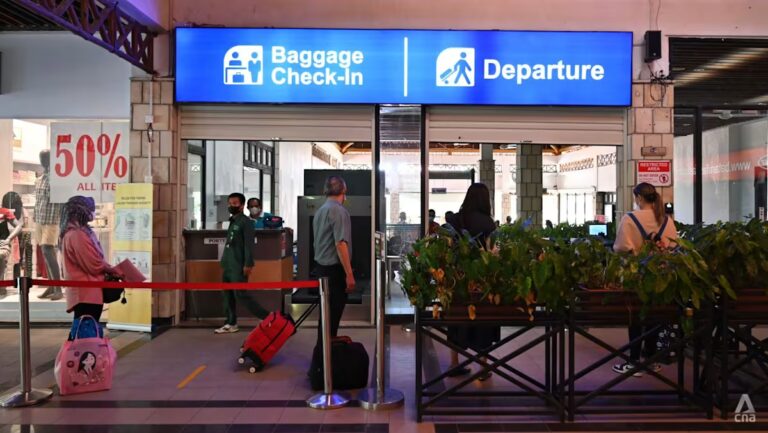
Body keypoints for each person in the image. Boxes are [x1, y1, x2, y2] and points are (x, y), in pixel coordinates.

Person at [612, 182, 678, 377]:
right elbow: (674, 247)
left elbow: (620, 248)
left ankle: (634, 361)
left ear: (639, 198)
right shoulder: (666, 220)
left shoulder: (630, 219)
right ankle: (651, 360)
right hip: (661, 278)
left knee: (635, 318)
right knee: (654, 317)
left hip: (636, 277)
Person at [445, 183, 500, 381]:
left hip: (457, 280)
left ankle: (454, 363)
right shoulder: (488, 223)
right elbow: (492, 253)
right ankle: (483, 367)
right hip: (481, 280)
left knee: (456, 320)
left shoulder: (455, 219)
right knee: (483, 321)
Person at [60, 196, 121, 323]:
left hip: (85, 292)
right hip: (87, 293)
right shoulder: (78, 235)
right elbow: (93, 264)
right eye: (90, 209)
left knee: (83, 329)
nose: (92, 213)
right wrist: (113, 270)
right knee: (87, 331)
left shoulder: (72, 232)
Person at [215, 193, 270, 334]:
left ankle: (267, 317)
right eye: (230, 203)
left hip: (238, 264)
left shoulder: (246, 222)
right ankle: (230, 322)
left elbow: (248, 245)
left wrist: (248, 263)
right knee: (227, 295)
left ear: (242, 205)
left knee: (241, 294)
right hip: (228, 263)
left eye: (235, 203)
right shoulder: (233, 221)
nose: (231, 206)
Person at [311, 176, 354, 348]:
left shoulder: (321, 210)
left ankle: (322, 359)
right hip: (334, 271)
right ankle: (324, 360)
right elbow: (340, 243)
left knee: (326, 318)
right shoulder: (339, 211)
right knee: (332, 318)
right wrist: (349, 274)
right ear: (344, 190)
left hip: (321, 269)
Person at [36, 150, 64, 300]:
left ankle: (58, 288)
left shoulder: (57, 179)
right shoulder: (40, 179)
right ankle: (52, 286)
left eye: (45, 158)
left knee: (48, 251)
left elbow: (61, 202)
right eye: (41, 158)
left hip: (51, 220)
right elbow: (38, 201)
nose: (43, 160)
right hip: (40, 220)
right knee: (44, 251)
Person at [0, 192, 24, 295]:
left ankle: (1, 284)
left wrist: (8, 239)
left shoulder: (4, 212)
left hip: (2, 243)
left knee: (1, 256)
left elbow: (18, 226)